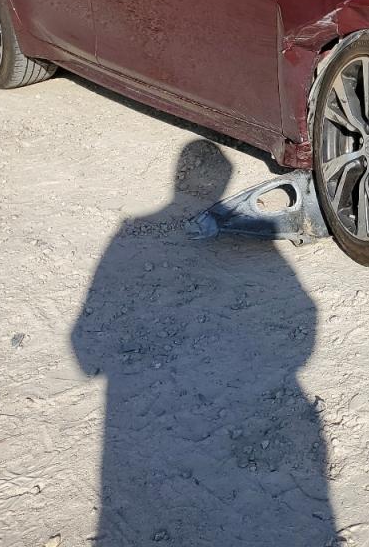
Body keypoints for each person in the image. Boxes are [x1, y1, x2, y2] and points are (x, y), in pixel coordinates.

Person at [71, 138, 337, 544]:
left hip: (133, 432)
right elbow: (308, 319)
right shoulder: (268, 253)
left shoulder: (128, 233)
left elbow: (84, 354)